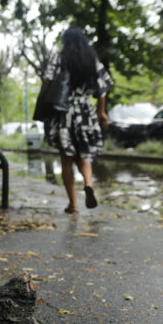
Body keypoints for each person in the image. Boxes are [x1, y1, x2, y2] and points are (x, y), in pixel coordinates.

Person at [42, 27, 112, 213]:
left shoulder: (59, 58)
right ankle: (88, 183)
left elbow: (47, 81)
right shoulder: (91, 60)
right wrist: (101, 112)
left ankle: (73, 204)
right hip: (85, 112)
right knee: (84, 155)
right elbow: (103, 88)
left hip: (64, 110)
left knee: (66, 159)